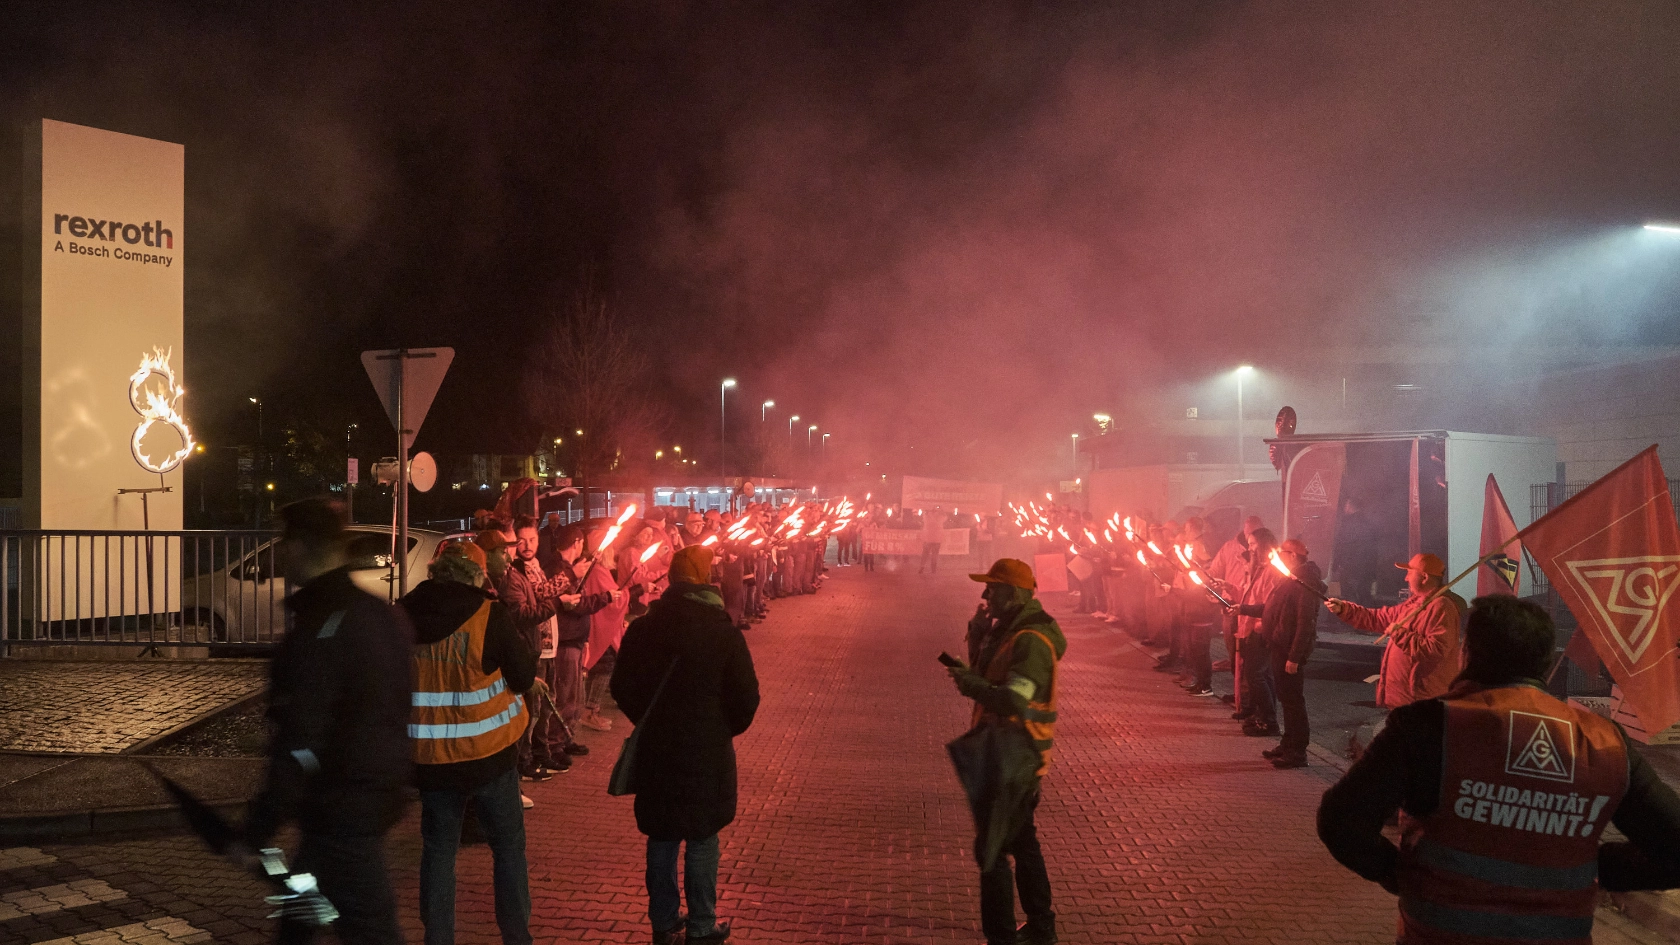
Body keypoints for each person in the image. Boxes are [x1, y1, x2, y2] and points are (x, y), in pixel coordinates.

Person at [1318, 595, 1680, 943]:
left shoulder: (1427, 726)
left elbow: (1341, 819)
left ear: (1466, 653)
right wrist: (1597, 867)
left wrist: (1397, 873)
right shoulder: (1603, 741)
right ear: (1543, 663)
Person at [245, 498, 412, 945]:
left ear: (300, 546)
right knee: (301, 915)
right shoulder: (380, 615)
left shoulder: (322, 627)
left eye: (284, 542)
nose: (281, 552)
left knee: (370, 931)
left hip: (340, 810)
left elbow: (302, 735)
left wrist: (263, 819)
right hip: (361, 801)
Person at [612, 546, 761, 945]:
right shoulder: (721, 631)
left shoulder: (644, 628)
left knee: (661, 836)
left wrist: (648, 719)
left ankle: (663, 924)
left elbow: (621, 686)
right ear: (705, 578)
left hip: (658, 748)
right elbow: (746, 698)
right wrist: (720, 728)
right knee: (702, 837)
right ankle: (701, 926)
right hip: (705, 752)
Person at [401, 545, 537, 945]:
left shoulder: (401, 615)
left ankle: (438, 937)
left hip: (430, 760)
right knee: (507, 847)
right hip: (489, 756)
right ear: (477, 574)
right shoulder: (489, 615)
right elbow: (522, 677)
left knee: (439, 851)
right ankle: (517, 936)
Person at [948, 559, 1066, 945]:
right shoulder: (1011, 632)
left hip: (1015, 758)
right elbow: (990, 676)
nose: (986, 595)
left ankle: (1002, 937)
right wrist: (977, 636)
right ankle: (1041, 927)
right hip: (1008, 754)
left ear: (1013, 594)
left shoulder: (1030, 640)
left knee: (992, 850)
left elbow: (1013, 699)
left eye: (993, 588)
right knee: (1021, 842)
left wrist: (971, 686)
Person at [1326, 553, 1463, 709]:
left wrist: (1399, 634)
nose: (1406, 578)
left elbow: (1435, 650)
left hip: (1422, 700)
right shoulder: (1414, 604)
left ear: (1424, 577)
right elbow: (1377, 618)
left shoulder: (1442, 607)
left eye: (1410, 573)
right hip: (1404, 699)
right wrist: (1345, 609)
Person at [1234, 538, 1323, 767]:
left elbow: (1305, 623)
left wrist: (1294, 657)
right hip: (1279, 646)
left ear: (1293, 555)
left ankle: (1297, 752)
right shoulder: (1290, 578)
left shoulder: (1305, 582)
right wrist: (1243, 608)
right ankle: (1287, 744)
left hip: (1289, 650)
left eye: (1282, 552)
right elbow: (1272, 608)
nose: (1277, 555)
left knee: (1293, 702)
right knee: (1286, 699)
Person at [1229, 528, 1281, 735]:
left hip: (1260, 629)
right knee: (1262, 675)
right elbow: (1249, 595)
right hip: (1250, 627)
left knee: (1256, 675)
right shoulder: (1259, 568)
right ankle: (1262, 715)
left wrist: (1244, 610)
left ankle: (1269, 721)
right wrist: (1231, 590)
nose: (1249, 549)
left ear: (1263, 545)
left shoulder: (1272, 571)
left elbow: (1267, 606)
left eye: (1252, 544)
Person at [919, 507, 945, 574]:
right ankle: (933, 569)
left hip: (927, 538)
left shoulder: (926, 516)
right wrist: (942, 511)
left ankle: (922, 567)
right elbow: (945, 517)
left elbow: (923, 516)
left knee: (925, 554)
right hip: (937, 539)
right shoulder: (940, 517)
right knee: (934, 555)